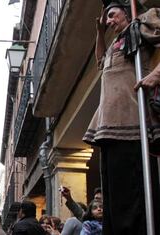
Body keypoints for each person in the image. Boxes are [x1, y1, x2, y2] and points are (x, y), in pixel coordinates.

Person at [83, 2, 160, 234]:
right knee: (114, 194)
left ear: (126, 13)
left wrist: (156, 75)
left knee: (131, 193)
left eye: (113, 15)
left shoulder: (140, 27)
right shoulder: (113, 45)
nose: (109, 21)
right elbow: (100, 62)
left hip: (130, 121)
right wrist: (99, 33)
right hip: (108, 125)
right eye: (107, 18)